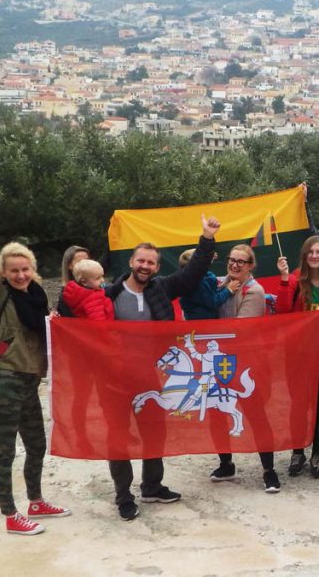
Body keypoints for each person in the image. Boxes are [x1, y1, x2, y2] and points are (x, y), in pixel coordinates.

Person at [102, 212, 221, 521]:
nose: (145, 266)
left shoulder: (161, 288)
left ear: (157, 267)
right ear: (131, 262)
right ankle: (123, 495)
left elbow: (193, 274)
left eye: (151, 263)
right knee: (118, 438)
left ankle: (152, 486)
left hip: (148, 374)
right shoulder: (109, 294)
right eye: (141, 261)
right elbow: (77, 310)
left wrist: (207, 238)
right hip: (114, 380)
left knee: (155, 432)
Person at [0, 180, 71, 536]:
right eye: (13, 270)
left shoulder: (37, 298)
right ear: (4, 274)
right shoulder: (1, 296)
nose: (20, 274)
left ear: (33, 269)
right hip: (4, 380)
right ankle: (11, 515)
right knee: (5, 452)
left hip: (29, 382)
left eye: (25, 269)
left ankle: (36, 501)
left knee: (37, 445)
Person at [204, 245, 280, 492]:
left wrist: (210, 331)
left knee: (256, 414)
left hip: (246, 362)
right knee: (217, 412)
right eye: (231, 260)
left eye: (241, 261)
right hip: (219, 360)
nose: (234, 265)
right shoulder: (218, 284)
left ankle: (269, 470)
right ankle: (225, 463)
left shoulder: (254, 290)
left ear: (251, 265)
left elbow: (241, 328)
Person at [275, 236, 319, 478]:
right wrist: (284, 280)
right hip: (298, 354)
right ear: (304, 256)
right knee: (297, 404)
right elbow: (282, 310)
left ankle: (317, 453)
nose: (314, 256)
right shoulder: (294, 280)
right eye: (310, 252)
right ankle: (297, 451)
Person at [177, 248, 238, 320]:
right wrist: (228, 290)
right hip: (202, 322)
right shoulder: (198, 283)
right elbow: (213, 302)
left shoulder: (195, 276)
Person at [55, 245, 90, 317]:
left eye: (87, 260)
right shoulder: (66, 294)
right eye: (80, 262)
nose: (86, 264)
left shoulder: (97, 284)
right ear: (69, 265)